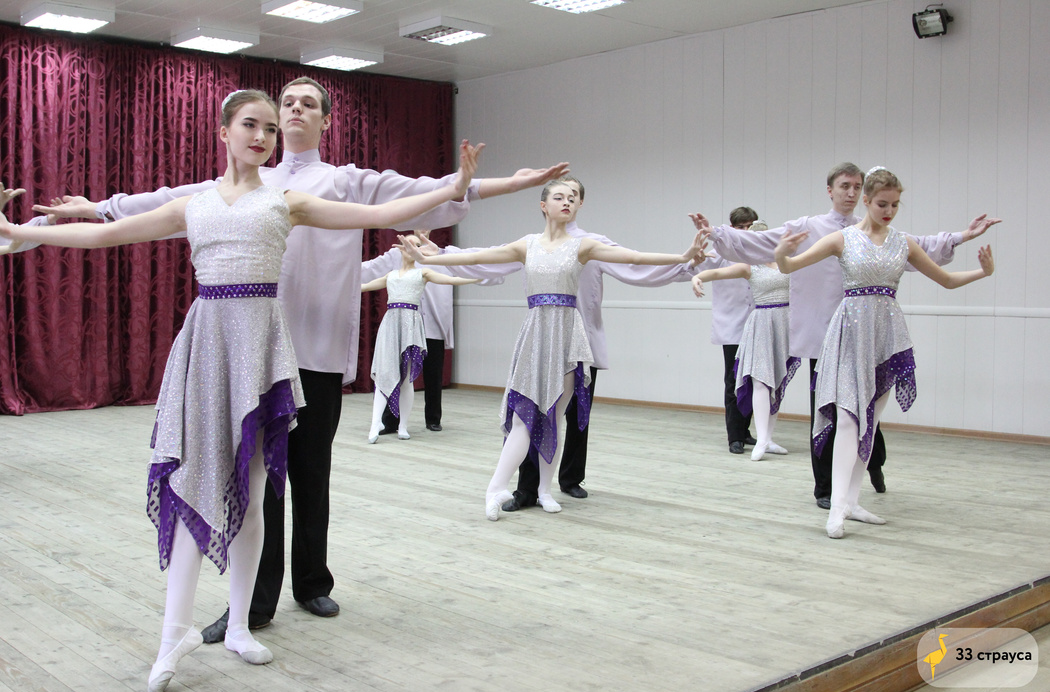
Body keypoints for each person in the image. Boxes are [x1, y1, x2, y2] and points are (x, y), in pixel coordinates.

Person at [28, 76, 569, 640]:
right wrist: (99, 207)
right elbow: (166, 201)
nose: (294, 111)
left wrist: (498, 184)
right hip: (255, 351)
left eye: (308, 104)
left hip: (319, 345)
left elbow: (422, 193)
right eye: (286, 103)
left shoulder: (345, 181)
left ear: (326, 120)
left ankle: (312, 582)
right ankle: (254, 603)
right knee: (257, 478)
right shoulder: (245, 182)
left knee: (310, 470)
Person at [692, 162, 1000, 508]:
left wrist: (963, 236)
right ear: (831, 190)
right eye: (845, 186)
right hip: (823, 331)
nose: (851, 193)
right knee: (826, 409)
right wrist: (718, 233)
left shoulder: (876, 231)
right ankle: (825, 489)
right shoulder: (811, 228)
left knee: (866, 407)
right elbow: (764, 242)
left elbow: (921, 247)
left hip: (866, 332)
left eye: (856, 186)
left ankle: (872, 466)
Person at [400, 181, 707, 519]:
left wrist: (683, 257)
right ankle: (501, 487)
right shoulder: (527, 244)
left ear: (579, 205)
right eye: (559, 197)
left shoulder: (586, 244)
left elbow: (634, 258)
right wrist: (433, 256)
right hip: (536, 333)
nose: (566, 202)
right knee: (525, 415)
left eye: (572, 198)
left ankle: (546, 490)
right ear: (543, 205)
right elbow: (480, 256)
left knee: (557, 416)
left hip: (569, 334)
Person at [774, 167, 995, 538]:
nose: (889, 210)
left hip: (886, 336)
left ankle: (852, 502)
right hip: (849, 334)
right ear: (866, 201)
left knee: (870, 422)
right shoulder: (841, 238)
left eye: (894, 205)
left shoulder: (903, 242)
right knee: (848, 419)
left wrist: (983, 273)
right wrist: (782, 254)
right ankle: (836, 508)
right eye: (882, 204)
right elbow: (790, 267)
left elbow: (946, 280)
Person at [361, 230, 502, 434]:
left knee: (433, 373)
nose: (422, 230)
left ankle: (433, 418)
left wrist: (483, 277)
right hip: (399, 327)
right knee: (394, 371)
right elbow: (370, 271)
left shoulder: (442, 256)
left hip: (433, 324)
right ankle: (390, 421)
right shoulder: (396, 255)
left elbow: (464, 272)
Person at [692, 254, 799, 462]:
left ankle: (763, 436)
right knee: (755, 379)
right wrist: (698, 277)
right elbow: (717, 272)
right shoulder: (748, 266)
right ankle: (746, 438)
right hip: (758, 323)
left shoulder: (786, 262)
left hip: (783, 325)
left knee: (777, 382)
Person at [693, 207, 760, 455]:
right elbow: (701, 266)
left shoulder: (759, 251)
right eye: (741, 227)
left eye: (750, 226)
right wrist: (698, 257)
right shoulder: (721, 251)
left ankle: (745, 429)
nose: (746, 231)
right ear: (732, 228)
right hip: (732, 326)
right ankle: (734, 436)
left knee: (753, 380)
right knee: (733, 381)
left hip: (757, 325)